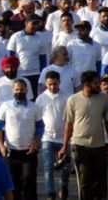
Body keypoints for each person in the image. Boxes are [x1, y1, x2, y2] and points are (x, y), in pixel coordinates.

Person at [58, 71, 108, 200]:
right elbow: (69, 125)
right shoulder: (73, 100)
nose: (99, 86)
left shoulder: (103, 99)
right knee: (84, 180)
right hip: (79, 146)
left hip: (99, 146)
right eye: (96, 83)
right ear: (87, 84)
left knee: (99, 180)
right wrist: (64, 147)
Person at [0, 78, 43, 200]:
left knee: (29, 179)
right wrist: (1, 146)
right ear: (12, 91)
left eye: (22, 89)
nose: (19, 92)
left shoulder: (34, 107)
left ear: (26, 90)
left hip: (28, 151)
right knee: (12, 182)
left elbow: (40, 127)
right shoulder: (5, 106)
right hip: (11, 151)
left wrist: (36, 141)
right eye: (17, 89)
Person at [35, 71, 71, 200]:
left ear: (59, 82)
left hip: (63, 137)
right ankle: (50, 192)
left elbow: (70, 119)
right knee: (48, 165)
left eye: (55, 84)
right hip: (47, 137)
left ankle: (64, 186)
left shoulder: (67, 97)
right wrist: (37, 137)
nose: (52, 87)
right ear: (46, 83)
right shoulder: (41, 98)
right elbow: (37, 119)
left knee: (66, 165)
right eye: (50, 84)